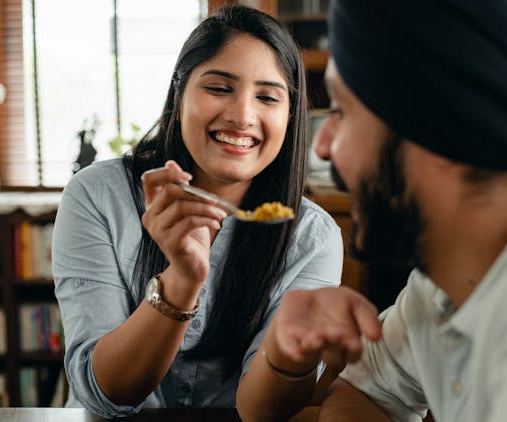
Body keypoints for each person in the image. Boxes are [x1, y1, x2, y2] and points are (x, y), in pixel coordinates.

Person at [237, 1, 507, 421]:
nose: (324, 147)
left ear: (438, 126)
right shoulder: (441, 286)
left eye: (342, 113)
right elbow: (364, 393)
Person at [52, 5, 343, 417]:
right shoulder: (98, 197)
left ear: (290, 115)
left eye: (267, 97)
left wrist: (293, 350)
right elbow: (107, 393)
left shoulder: (313, 236)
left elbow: (262, 413)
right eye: (220, 88)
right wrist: (182, 280)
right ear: (179, 93)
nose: (243, 116)